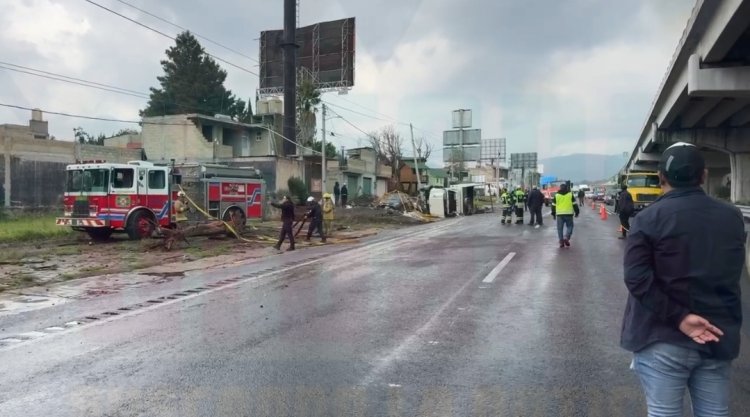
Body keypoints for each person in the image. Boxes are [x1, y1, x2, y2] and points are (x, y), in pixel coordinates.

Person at [620, 143, 745, 417]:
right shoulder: (732, 217)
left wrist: (680, 318)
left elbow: (637, 278)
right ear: (703, 176)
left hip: (660, 336)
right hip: (717, 334)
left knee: (664, 413)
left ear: (661, 177)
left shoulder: (647, 219)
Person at [551, 182, 579, 248]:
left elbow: (553, 206)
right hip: (569, 214)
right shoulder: (570, 195)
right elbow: (574, 204)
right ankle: (566, 237)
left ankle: (561, 241)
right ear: (566, 188)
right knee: (570, 226)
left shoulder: (556, 195)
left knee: (559, 228)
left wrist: (553, 214)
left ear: (560, 188)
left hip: (559, 215)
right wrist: (577, 212)